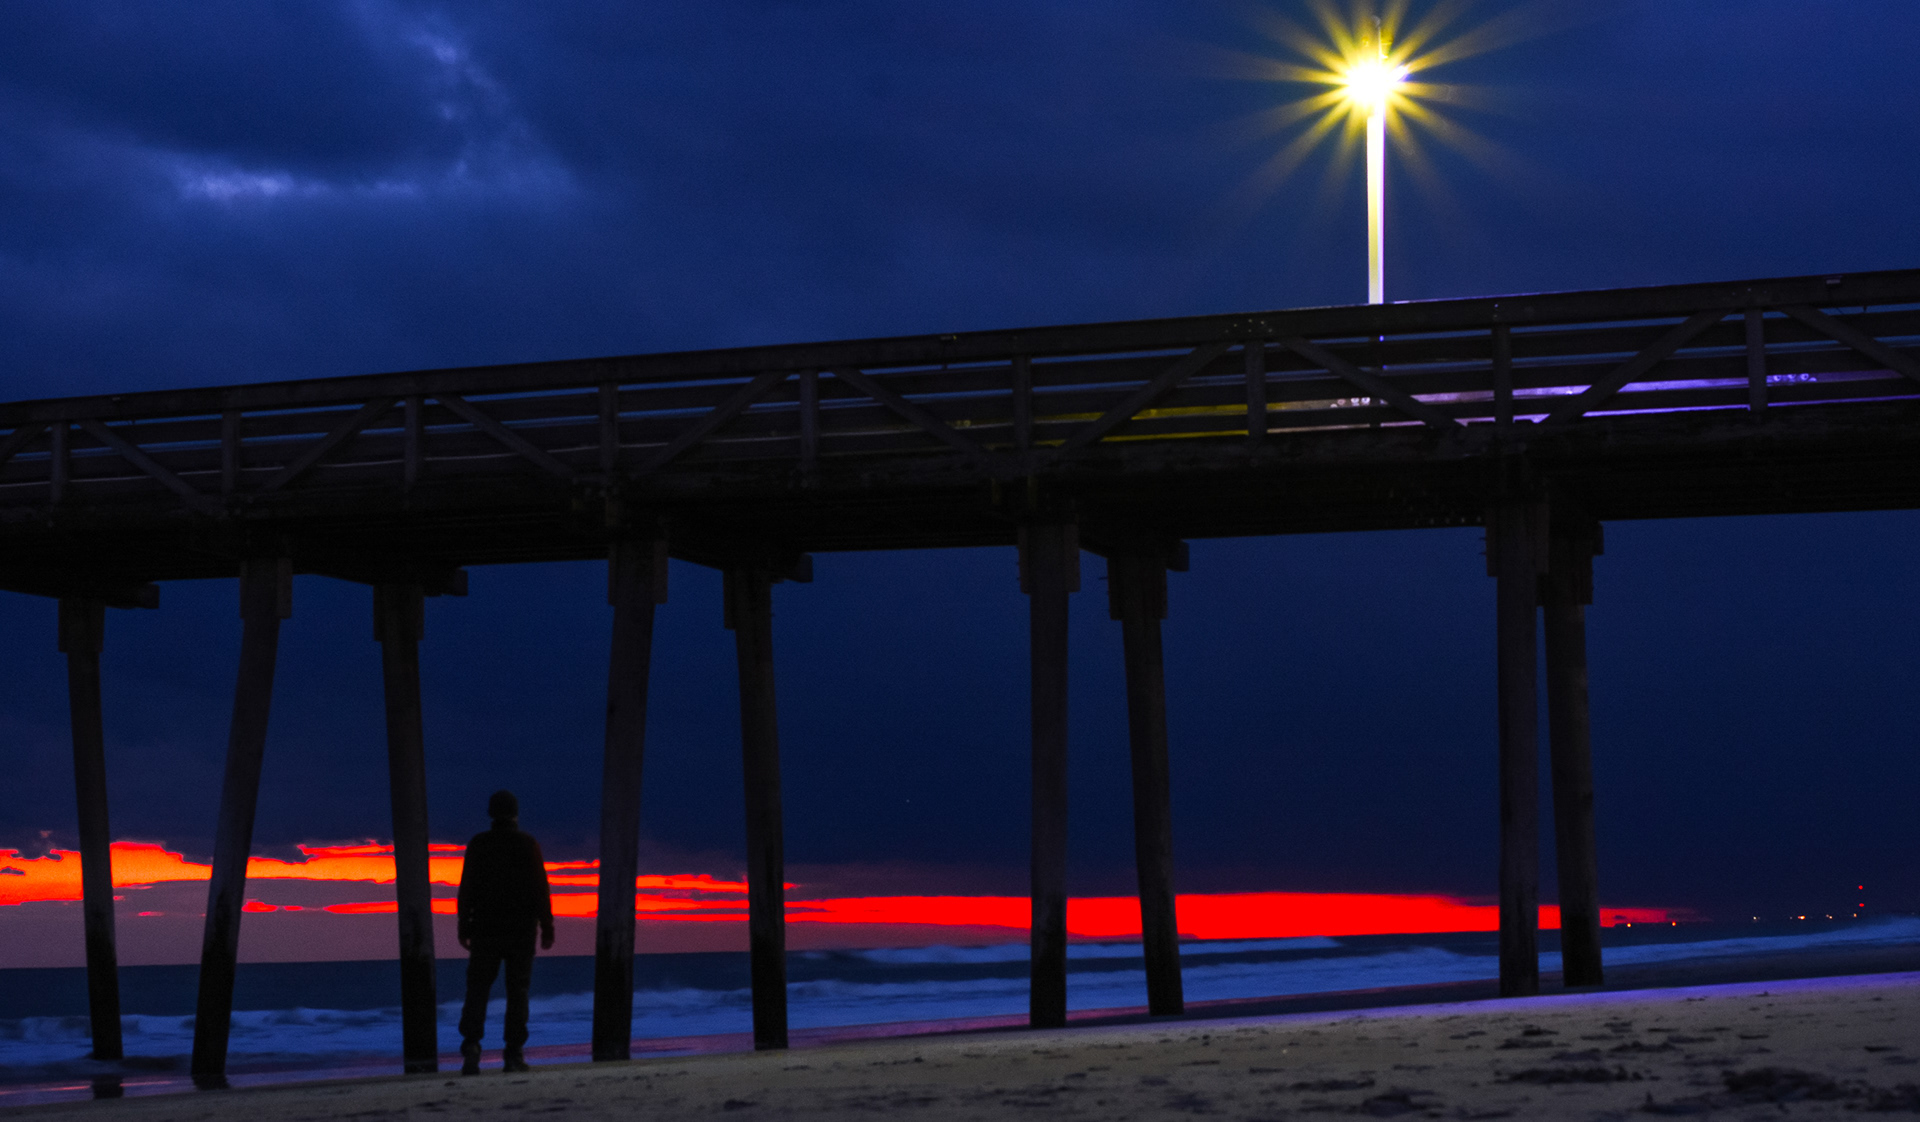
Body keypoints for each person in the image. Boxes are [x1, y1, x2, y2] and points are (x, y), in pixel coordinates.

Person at [456, 790, 554, 1075]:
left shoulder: (479, 844)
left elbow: (467, 888)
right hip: (521, 929)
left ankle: (472, 1047)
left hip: (486, 928)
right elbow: (540, 886)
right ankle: (513, 1053)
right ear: (515, 814)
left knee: (477, 989)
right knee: (518, 990)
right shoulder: (527, 844)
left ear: (491, 813)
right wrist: (547, 925)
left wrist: (464, 925)